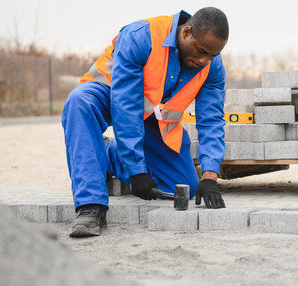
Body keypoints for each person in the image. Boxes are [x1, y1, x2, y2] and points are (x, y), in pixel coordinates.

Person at [62, 7, 228, 237]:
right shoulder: (141, 36)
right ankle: (91, 207)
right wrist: (136, 170)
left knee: (184, 185)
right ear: (187, 32)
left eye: (211, 55)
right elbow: (125, 103)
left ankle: (110, 154)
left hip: (150, 118)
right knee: (79, 102)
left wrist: (209, 176)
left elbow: (211, 120)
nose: (203, 60)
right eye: (201, 51)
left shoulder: (212, 66)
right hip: (110, 93)